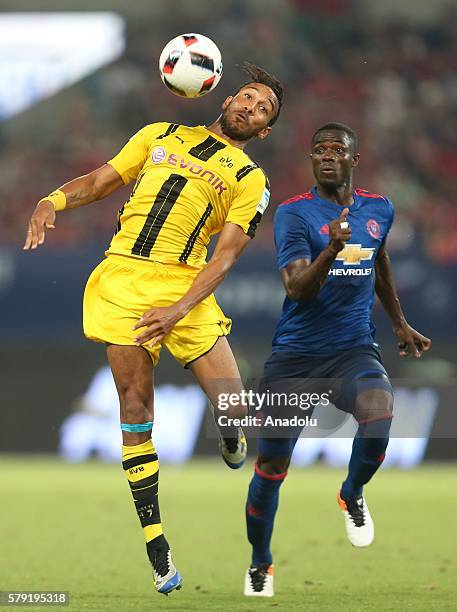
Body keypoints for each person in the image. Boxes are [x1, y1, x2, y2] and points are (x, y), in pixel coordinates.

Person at [23, 62, 283, 596]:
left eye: (262, 111)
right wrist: (52, 200)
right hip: (123, 280)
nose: (250, 108)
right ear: (226, 96)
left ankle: (231, 433)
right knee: (135, 408)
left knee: (235, 409)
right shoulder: (157, 135)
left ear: (263, 131)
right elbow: (100, 180)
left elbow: (227, 256)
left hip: (187, 287)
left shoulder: (250, 179)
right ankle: (156, 543)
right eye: (248, 97)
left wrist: (179, 309)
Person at [243, 122, 431, 597]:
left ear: (354, 159)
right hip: (295, 359)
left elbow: (379, 261)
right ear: (312, 160)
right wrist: (330, 248)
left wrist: (399, 322)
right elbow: (296, 289)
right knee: (270, 467)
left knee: (380, 412)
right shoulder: (293, 215)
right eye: (319, 150)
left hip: (352, 350)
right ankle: (260, 562)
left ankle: (351, 494)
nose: (327, 156)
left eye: (336, 150)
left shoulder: (379, 208)